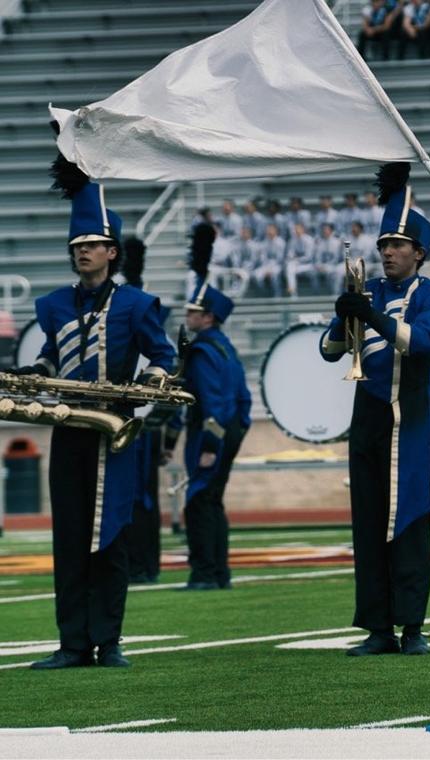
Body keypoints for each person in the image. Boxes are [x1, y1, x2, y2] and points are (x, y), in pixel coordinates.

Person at [19, 152, 176, 669]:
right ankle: (71, 643)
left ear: (112, 251)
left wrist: (145, 390)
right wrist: (36, 374)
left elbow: (163, 355)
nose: (83, 252)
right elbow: (49, 354)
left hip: (115, 431)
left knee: (108, 537)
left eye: (91, 245)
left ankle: (108, 642)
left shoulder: (136, 304)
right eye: (77, 246)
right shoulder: (55, 305)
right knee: (67, 537)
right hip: (68, 427)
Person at [319, 163, 430, 657]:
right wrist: (344, 316)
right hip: (368, 421)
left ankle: (412, 627)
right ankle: (377, 628)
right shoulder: (368, 291)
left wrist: (371, 316)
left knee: (409, 521)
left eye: (398, 245)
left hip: (411, 421)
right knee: (368, 521)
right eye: (383, 245)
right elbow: (329, 351)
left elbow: (419, 343)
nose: (387, 253)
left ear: (419, 253)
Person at [174, 225, 252, 591]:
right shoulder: (225, 348)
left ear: (208, 317)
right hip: (229, 431)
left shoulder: (205, 350)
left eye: (193, 311)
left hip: (211, 434)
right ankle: (219, 572)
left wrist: (207, 446)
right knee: (213, 500)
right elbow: (241, 402)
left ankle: (205, 572)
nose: (188, 316)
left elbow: (215, 404)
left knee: (200, 501)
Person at [120, 237, 175, 586]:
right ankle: (143, 563)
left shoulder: (136, 326)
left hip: (138, 425)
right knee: (141, 499)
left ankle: (142, 564)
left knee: (138, 500)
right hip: (143, 424)